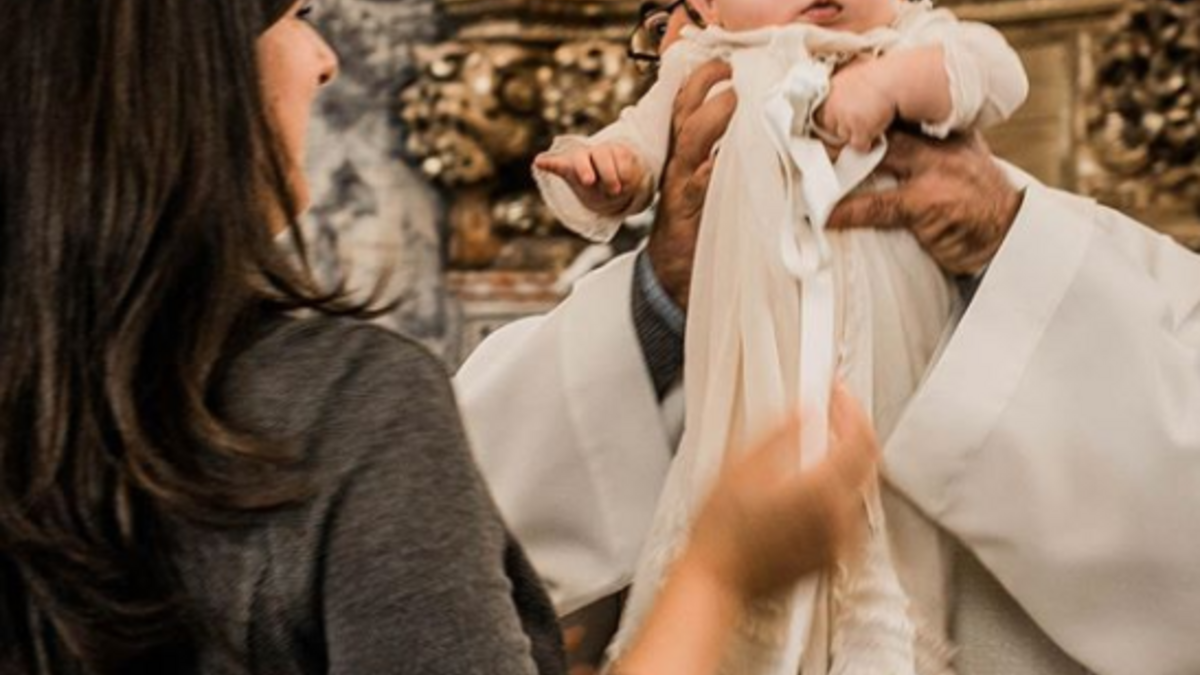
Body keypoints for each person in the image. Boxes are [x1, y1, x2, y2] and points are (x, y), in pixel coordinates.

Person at [0, 2, 880, 674]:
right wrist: (722, 573)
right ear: (191, 75)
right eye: (296, 15)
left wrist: (667, 292)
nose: (325, 60)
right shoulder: (350, 405)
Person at [456, 3, 1200, 675]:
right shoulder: (611, 310)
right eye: (668, 26)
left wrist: (999, 245)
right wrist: (667, 297)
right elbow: (451, 541)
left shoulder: (1109, 265)